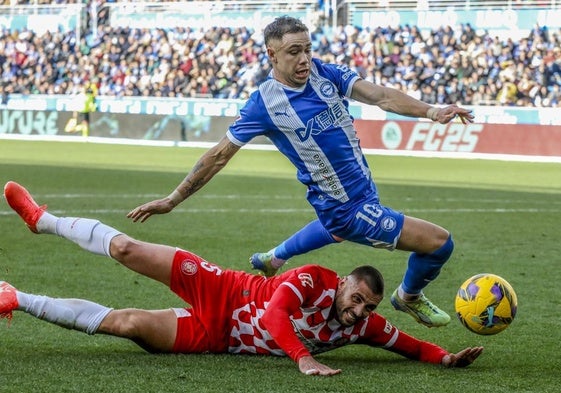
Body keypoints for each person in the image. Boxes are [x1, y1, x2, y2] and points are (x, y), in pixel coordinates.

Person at [126, 16, 476, 329]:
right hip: (349, 209)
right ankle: (408, 297)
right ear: (272, 56)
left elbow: (381, 96)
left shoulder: (327, 74)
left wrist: (431, 111)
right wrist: (173, 199)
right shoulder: (264, 103)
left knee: (334, 230)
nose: (304, 58)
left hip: (356, 198)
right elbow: (219, 155)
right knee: (440, 244)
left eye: (308, 49)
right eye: (294, 51)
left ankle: (274, 256)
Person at [2, 181, 483, 376]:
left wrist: (445, 358)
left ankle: (16, 297)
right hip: (224, 289)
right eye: (357, 298)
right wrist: (303, 360)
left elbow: (408, 345)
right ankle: (42, 219)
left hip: (217, 337)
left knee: (126, 325)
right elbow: (275, 313)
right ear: (341, 283)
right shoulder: (314, 280)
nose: (359, 311)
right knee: (127, 248)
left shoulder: (362, 325)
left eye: (367, 308)